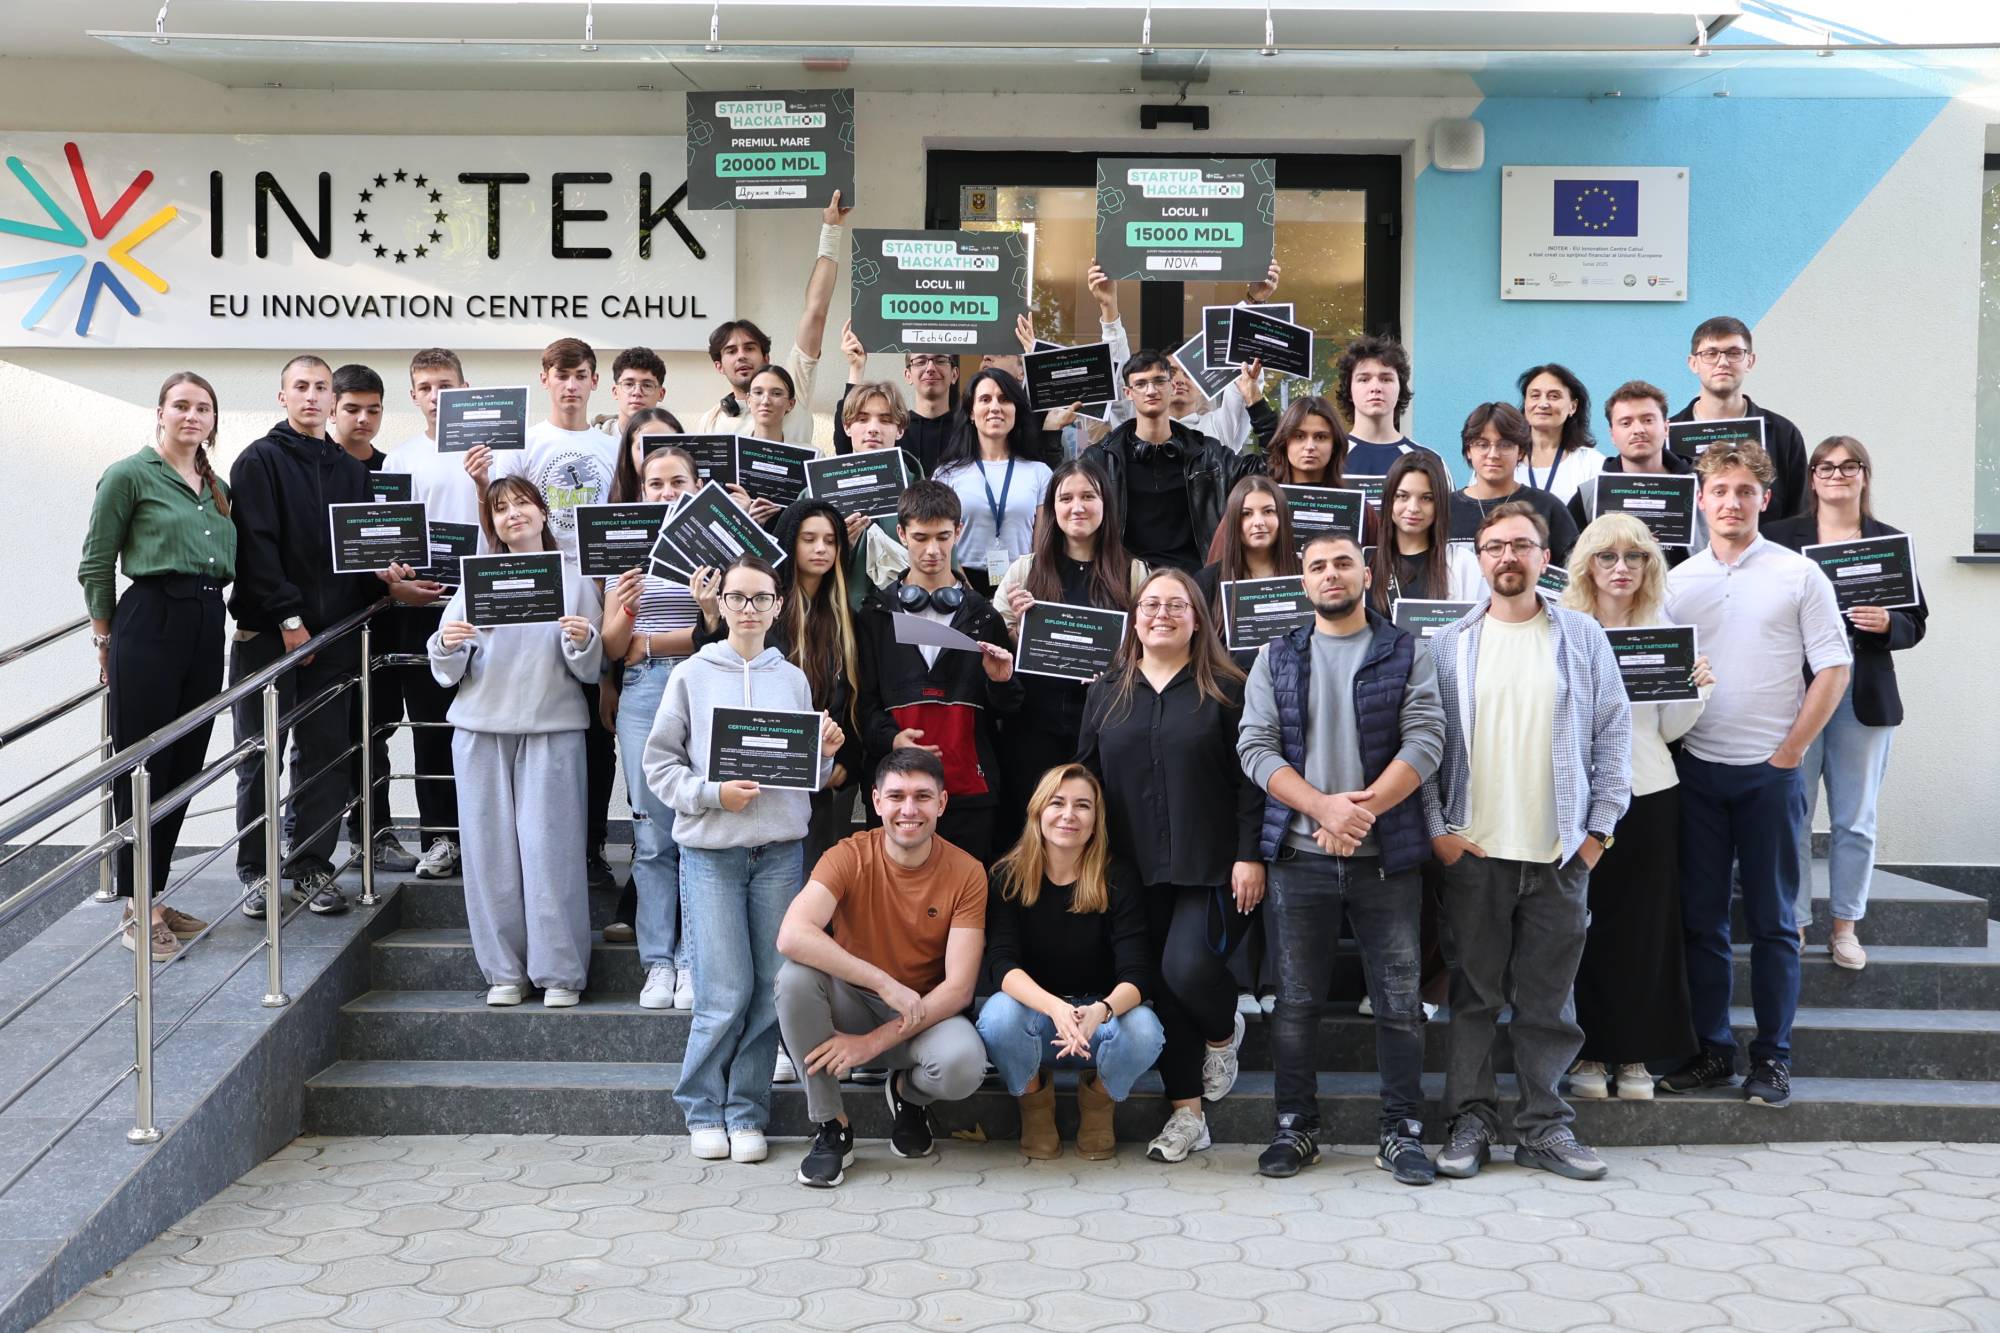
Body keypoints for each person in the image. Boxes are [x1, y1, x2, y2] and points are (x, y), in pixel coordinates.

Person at [1422, 502, 1630, 1182]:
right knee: (1474, 997)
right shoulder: (1447, 644)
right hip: (1475, 854)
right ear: (1479, 559)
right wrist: (1439, 832)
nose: (1507, 556)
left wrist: (1597, 835)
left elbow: (1613, 735)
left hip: (1559, 854)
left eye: (1521, 545)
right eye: (1494, 546)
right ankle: (1472, 1121)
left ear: (1545, 557)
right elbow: (1423, 745)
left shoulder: (1582, 637)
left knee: (1549, 1003)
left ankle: (1545, 1127)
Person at [1237, 532, 1445, 1183]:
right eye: (1319, 566)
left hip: (1387, 858)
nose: (1331, 574)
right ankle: (1295, 1127)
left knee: (1399, 1004)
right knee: (1296, 1003)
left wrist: (1361, 812)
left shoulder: (1405, 649)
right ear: (1303, 582)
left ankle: (1401, 1132)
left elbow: (1426, 738)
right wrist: (1324, 809)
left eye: (1343, 563)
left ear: (1366, 572)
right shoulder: (1276, 655)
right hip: (1299, 858)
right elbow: (1255, 747)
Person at [1661, 442, 1850, 1108]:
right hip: (1698, 771)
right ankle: (1712, 1049)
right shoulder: (1678, 582)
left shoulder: (1799, 575)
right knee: (1701, 922)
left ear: (1765, 499)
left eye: (1745, 490)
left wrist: (1791, 752)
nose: (1732, 502)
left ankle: (1773, 1057)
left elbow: (1833, 668)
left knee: (1773, 923)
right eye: (1720, 490)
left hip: (1771, 773)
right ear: (1701, 499)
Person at [645, 556, 843, 1164]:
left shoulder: (793, 680)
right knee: (722, 990)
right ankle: (703, 1108)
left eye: (761, 598)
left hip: (779, 853)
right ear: (721, 603)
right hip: (712, 855)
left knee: (768, 990)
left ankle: (746, 1111)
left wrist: (824, 755)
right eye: (737, 598)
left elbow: (800, 777)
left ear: (778, 606)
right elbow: (658, 766)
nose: (749, 608)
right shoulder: (691, 675)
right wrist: (712, 795)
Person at [1078, 568, 1264, 1164]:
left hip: (1212, 865)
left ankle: (1222, 1029)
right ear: (1134, 619)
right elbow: (1087, 779)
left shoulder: (1228, 688)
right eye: (1151, 604)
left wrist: (1249, 854)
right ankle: (1188, 1116)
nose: (1162, 614)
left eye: (1176, 605)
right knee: (1160, 986)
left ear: (1198, 618)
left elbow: (1250, 782)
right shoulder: (1106, 691)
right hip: (1131, 868)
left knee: (1185, 971)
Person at [228, 355, 412, 918]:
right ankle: (257, 872)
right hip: (270, 637)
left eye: (321, 388)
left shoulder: (350, 471)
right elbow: (255, 549)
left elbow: (353, 554)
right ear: (282, 396)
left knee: (326, 758)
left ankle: (310, 866)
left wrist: (385, 574)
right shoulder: (257, 460)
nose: (312, 396)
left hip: (333, 638)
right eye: (301, 387)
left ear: (332, 400)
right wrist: (290, 620)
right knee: (260, 757)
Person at [775, 748, 989, 1188]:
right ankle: (831, 1125)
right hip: (853, 1003)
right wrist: (882, 982)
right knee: (794, 978)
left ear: (942, 803)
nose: (909, 810)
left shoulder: (967, 872)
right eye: (896, 796)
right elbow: (792, 935)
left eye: (922, 797)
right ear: (875, 801)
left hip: (922, 1013)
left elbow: (959, 989)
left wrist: (869, 1045)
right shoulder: (848, 855)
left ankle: (907, 1095)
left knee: (964, 1065)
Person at [427, 477, 603, 1007]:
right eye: (500, 509)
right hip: (480, 728)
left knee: (553, 852)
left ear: (543, 512)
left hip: (553, 728)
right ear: (493, 525)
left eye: (522, 503)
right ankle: (504, 971)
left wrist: (583, 641)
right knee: (488, 855)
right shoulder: (474, 580)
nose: (513, 514)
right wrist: (447, 643)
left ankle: (560, 972)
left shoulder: (575, 579)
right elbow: (447, 665)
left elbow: (591, 669)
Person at [78, 372, 236, 961]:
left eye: (203, 408)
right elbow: (96, 561)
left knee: (183, 764)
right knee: (142, 765)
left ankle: (156, 896)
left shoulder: (217, 486)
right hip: (149, 618)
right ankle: (135, 906)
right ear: (160, 413)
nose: (192, 416)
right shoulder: (129, 474)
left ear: (213, 420)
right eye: (181, 406)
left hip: (206, 622)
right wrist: (103, 639)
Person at [1561, 514, 1712, 1099]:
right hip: (1574, 800)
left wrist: (1696, 690)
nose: (1621, 568)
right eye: (1607, 556)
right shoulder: (1562, 628)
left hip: (1648, 793)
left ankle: (1633, 1059)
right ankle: (1587, 1055)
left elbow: (1668, 730)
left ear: (1651, 565)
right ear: (1587, 565)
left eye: (1635, 556)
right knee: (1580, 927)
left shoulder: (1663, 630)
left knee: (1644, 930)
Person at [1764, 438, 1927, 972]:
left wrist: (1889, 623)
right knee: (1792, 813)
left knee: (1855, 818)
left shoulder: (1888, 542)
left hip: (1863, 694)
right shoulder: (1779, 538)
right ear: (1812, 477)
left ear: (1864, 475)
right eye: (1826, 467)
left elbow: (1916, 622)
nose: (1837, 474)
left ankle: (1845, 927)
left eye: (1848, 466)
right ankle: (1794, 924)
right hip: (1797, 693)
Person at [466, 338, 622, 895]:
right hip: (533, 601)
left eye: (581, 375)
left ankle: (590, 847)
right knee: (541, 729)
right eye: (562, 375)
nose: (571, 385)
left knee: (595, 731)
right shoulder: (525, 443)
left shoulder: (612, 445)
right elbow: (499, 518)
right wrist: (480, 484)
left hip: (596, 595)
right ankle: (530, 853)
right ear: (545, 379)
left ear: (594, 380)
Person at [976, 765, 1165, 1161]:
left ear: (1096, 821)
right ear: (1037, 811)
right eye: (1057, 803)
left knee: (1145, 1029)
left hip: (1098, 1024)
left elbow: (1138, 974)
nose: (1068, 815)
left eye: (1082, 805)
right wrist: (1055, 1008)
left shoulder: (1117, 876)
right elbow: (1001, 965)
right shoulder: (1007, 876)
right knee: (997, 1016)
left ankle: (1098, 1103)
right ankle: (1034, 1107)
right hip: (1038, 1025)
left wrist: (1101, 1010)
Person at [600, 434, 721, 1005]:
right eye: (656, 484)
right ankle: (658, 963)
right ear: (641, 491)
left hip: (704, 683)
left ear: (697, 487)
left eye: (678, 482)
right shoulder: (624, 551)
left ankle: (693, 959)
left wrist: (655, 640)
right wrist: (628, 610)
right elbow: (613, 647)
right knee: (651, 836)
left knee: (699, 827)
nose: (667, 492)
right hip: (644, 690)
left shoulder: (716, 548)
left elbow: (722, 634)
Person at [855, 481, 1022, 863]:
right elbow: (862, 704)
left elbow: (1009, 712)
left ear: (959, 531)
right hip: (897, 795)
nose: (932, 550)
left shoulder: (984, 617)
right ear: (901, 534)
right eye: (921, 538)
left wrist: (1001, 683)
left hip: (971, 794)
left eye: (943, 537)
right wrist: (893, 740)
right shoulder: (874, 616)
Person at [994, 457, 1145, 832]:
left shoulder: (1133, 572)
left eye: (1088, 496)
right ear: (1052, 508)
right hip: (1033, 725)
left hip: (1105, 724)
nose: (1077, 507)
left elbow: (1148, 646)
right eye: (1066, 498)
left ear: (1106, 504)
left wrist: (1117, 669)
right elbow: (999, 646)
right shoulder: (1025, 569)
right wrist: (1019, 630)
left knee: (1098, 825)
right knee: (1031, 825)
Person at [328, 362, 433, 873]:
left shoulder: (393, 471)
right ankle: (331, 840)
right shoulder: (317, 469)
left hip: (391, 624)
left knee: (378, 727)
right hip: (332, 625)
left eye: (373, 410)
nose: (363, 419)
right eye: (352, 409)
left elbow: (407, 542)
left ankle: (377, 833)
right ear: (333, 409)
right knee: (337, 736)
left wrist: (402, 583)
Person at [384, 348, 477, 880]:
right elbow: (389, 541)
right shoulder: (400, 460)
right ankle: (441, 838)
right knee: (431, 728)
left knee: (491, 724)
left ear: (465, 389)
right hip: (426, 608)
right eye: (426, 387)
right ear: (414, 396)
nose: (437, 396)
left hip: (491, 605)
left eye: (446, 385)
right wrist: (398, 578)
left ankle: (490, 836)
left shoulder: (499, 452)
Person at [1084, 350, 1261, 574]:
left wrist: (1255, 401)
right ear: (1128, 393)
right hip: (1126, 582)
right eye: (1141, 384)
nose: (1151, 390)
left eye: (1159, 381)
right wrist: (1052, 436)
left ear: (1170, 386)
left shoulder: (1209, 454)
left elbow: (1272, 468)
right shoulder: (1101, 458)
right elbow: (1060, 498)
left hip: (1196, 582)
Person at [691, 192, 848, 441]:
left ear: (766, 357)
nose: (741, 356)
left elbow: (816, 310)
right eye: (731, 351)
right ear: (719, 365)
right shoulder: (711, 422)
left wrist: (831, 229)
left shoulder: (792, 387)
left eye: (749, 348)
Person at [766, 500, 868, 877]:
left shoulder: (847, 619)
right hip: (768, 768)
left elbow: (858, 697)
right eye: (809, 539)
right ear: (790, 542)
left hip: (823, 775)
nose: (821, 548)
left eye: (830, 540)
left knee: (813, 878)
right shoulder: (767, 611)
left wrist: (847, 760)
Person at [1670, 315, 1809, 520]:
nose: (1722, 362)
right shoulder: (1666, 435)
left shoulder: (1783, 433)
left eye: (1734, 353)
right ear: (1693, 363)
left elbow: (1800, 516)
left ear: (1750, 361)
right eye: (1711, 353)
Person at [932, 369, 1054, 595]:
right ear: (971, 412)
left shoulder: (1040, 473)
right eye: (985, 399)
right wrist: (968, 595)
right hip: (960, 585)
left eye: (1004, 399)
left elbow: (1041, 548)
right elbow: (940, 543)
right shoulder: (946, 474)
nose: (995, 407)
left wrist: (1026, 591)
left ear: (1016, 410)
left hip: (1022, 586)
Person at [1567, 379, 1705, 566]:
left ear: (1666, 428)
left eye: (1648, 420)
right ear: (1612, 434)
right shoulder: (1588, 497)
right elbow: (1572, 563)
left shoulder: (1704, 488)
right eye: (1626, 423)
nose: (1638, 430)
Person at [1449, 402, 1579, 565]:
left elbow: (1576, 571)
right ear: (1469, 450)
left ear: (1521, 451)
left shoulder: (1547, 507)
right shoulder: (1445, 509)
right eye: (1482, 444)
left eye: (1505, 445)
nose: (1493, 454)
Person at [1194, 476, 1300, 670]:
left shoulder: (1307, 572)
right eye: (1246, 514)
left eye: (1268, 511)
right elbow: (1200, 654)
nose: (1258, 522)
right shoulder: (1207, 581)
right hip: (1234, 684)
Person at [1366, 449, 1485, 616]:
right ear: (1389, 500)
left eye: (1426, 498)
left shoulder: (1463, 564)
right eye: (1402, 496)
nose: (1413, 508)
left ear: (1439, 504)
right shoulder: (1366, 562)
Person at [834, 323, 957, 473]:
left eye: (940, 360)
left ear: (954, 374)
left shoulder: (969, 429)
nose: (930, 368)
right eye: (920, 362)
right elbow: (846, 451)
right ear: (908, 375)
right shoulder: (893, 425)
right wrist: (856, 368)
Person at [834, 379, 915, 603]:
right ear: (847, 427)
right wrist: (836, 546)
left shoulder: (922, 492)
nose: (873, 429)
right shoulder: (816, 492)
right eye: (862, 419)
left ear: (900, 429)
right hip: (838, 614)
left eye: (885, 420)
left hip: (904, 614)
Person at [1334, 336, 1436, 477]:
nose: (1375, 388)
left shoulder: (1429, 462)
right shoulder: (1329, 457)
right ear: (1349, 390)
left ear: (1400, 388)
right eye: (1364, 379)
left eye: (1386, 379)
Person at [1516, 363, 1605, 506]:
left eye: (1554, 396)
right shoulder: (1504, 458)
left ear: (1573, 406)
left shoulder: (1591, 463)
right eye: (1535, 396)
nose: (1543, 404)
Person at [1263, 394, 1348, 488]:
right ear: (1284, 442)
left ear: (1334, 445)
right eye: (1299, 436)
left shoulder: (1352, 496)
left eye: (1320, 437)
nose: (1309, 446)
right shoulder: (1265, 494)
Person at [598, 346, 666, 437]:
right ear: (615, 392)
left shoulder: (676, 443)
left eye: (647, 385)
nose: (637, 392)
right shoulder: (591, 442)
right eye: (629, 384)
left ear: (661, 394)